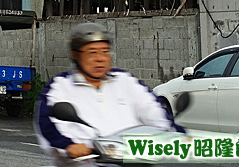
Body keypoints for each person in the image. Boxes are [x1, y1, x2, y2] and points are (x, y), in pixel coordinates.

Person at [35, 22, 183, 167]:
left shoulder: (125, 81)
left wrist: (176, 134)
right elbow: (47, 125)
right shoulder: (60, 86)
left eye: (105, 51)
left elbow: (152, 110)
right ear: (75, 55)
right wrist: (68, 146)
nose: (100, 58)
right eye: (92, 52)